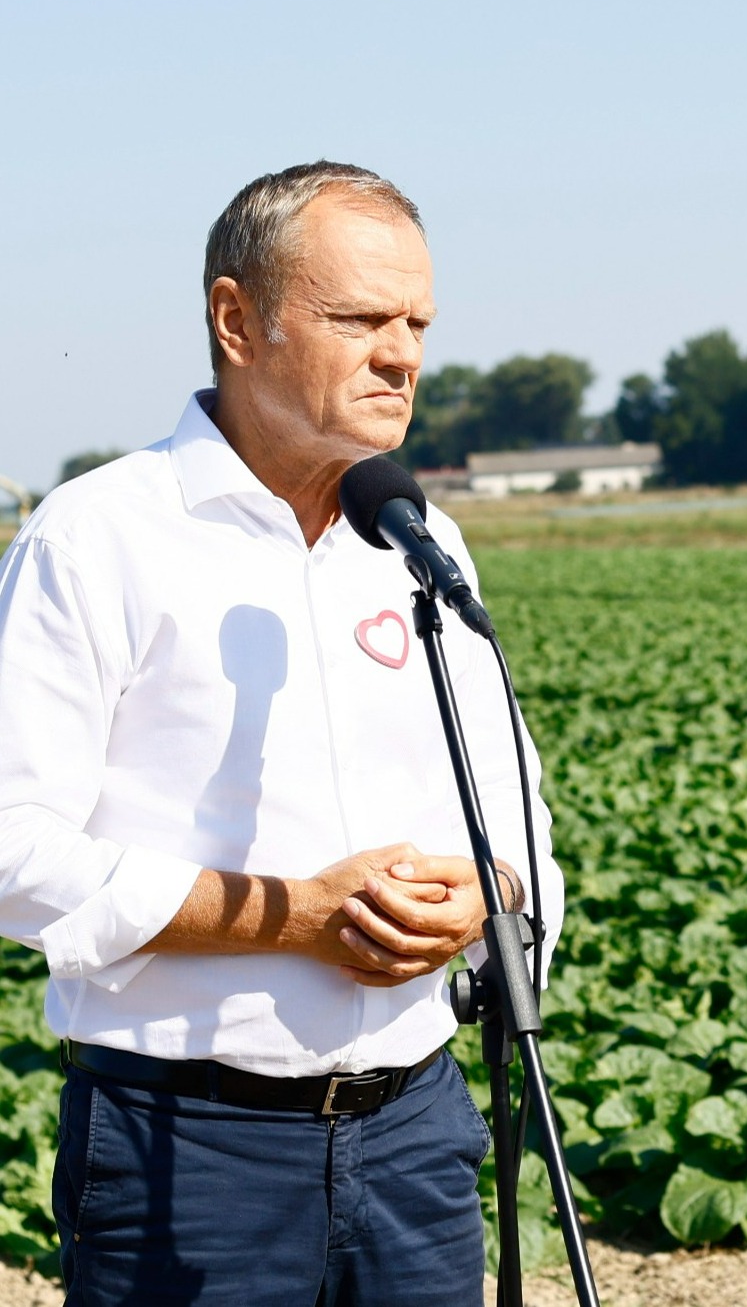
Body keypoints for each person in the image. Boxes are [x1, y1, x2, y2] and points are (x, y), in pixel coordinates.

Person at [0, 161, 565, 1305]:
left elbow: (519, 823)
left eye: (416, 322)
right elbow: (12, 855)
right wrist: (293, 917)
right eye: (361, 319)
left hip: (419, 1131)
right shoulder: (98, 538)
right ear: (236, 320)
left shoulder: (418, 537)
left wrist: (487, 894)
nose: (402, 353)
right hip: (190, 1146)